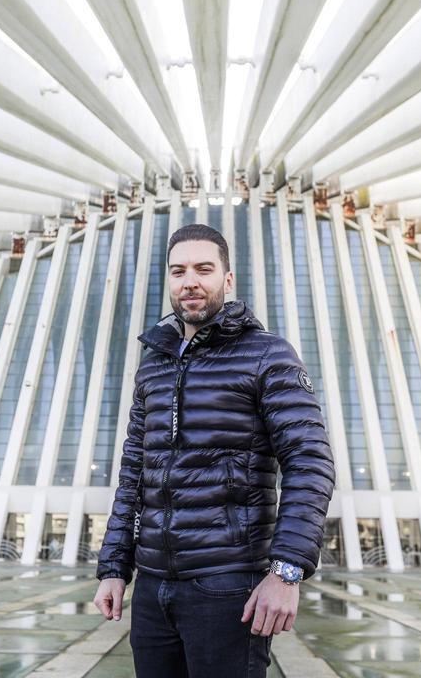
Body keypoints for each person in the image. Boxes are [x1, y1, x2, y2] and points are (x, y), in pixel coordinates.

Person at [93, 222, 336, 678]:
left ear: (227, 279)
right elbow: (134, 476)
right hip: (154, 588)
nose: (190, 282)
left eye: (204, 269)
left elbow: (310, 463)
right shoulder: (154, 366)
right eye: (178, 271)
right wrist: (114, 567)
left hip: (228, 587)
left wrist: (287, 572)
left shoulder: (267, 356)